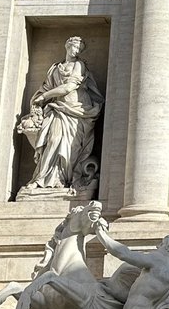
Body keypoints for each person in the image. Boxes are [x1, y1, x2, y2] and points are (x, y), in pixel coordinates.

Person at [17, 36, 104, 194]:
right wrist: (38, 100)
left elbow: (68, 87)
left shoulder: (80, 65)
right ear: (67, 46)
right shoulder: (56, 68)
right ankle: (43, 178)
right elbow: (46, 87)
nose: (75, 50)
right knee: (53, 140)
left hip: (76, 110)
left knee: (70, 146)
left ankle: (62, 179)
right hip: (57, 108)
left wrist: (45, 97)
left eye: (79, 48)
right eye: (73, 47)